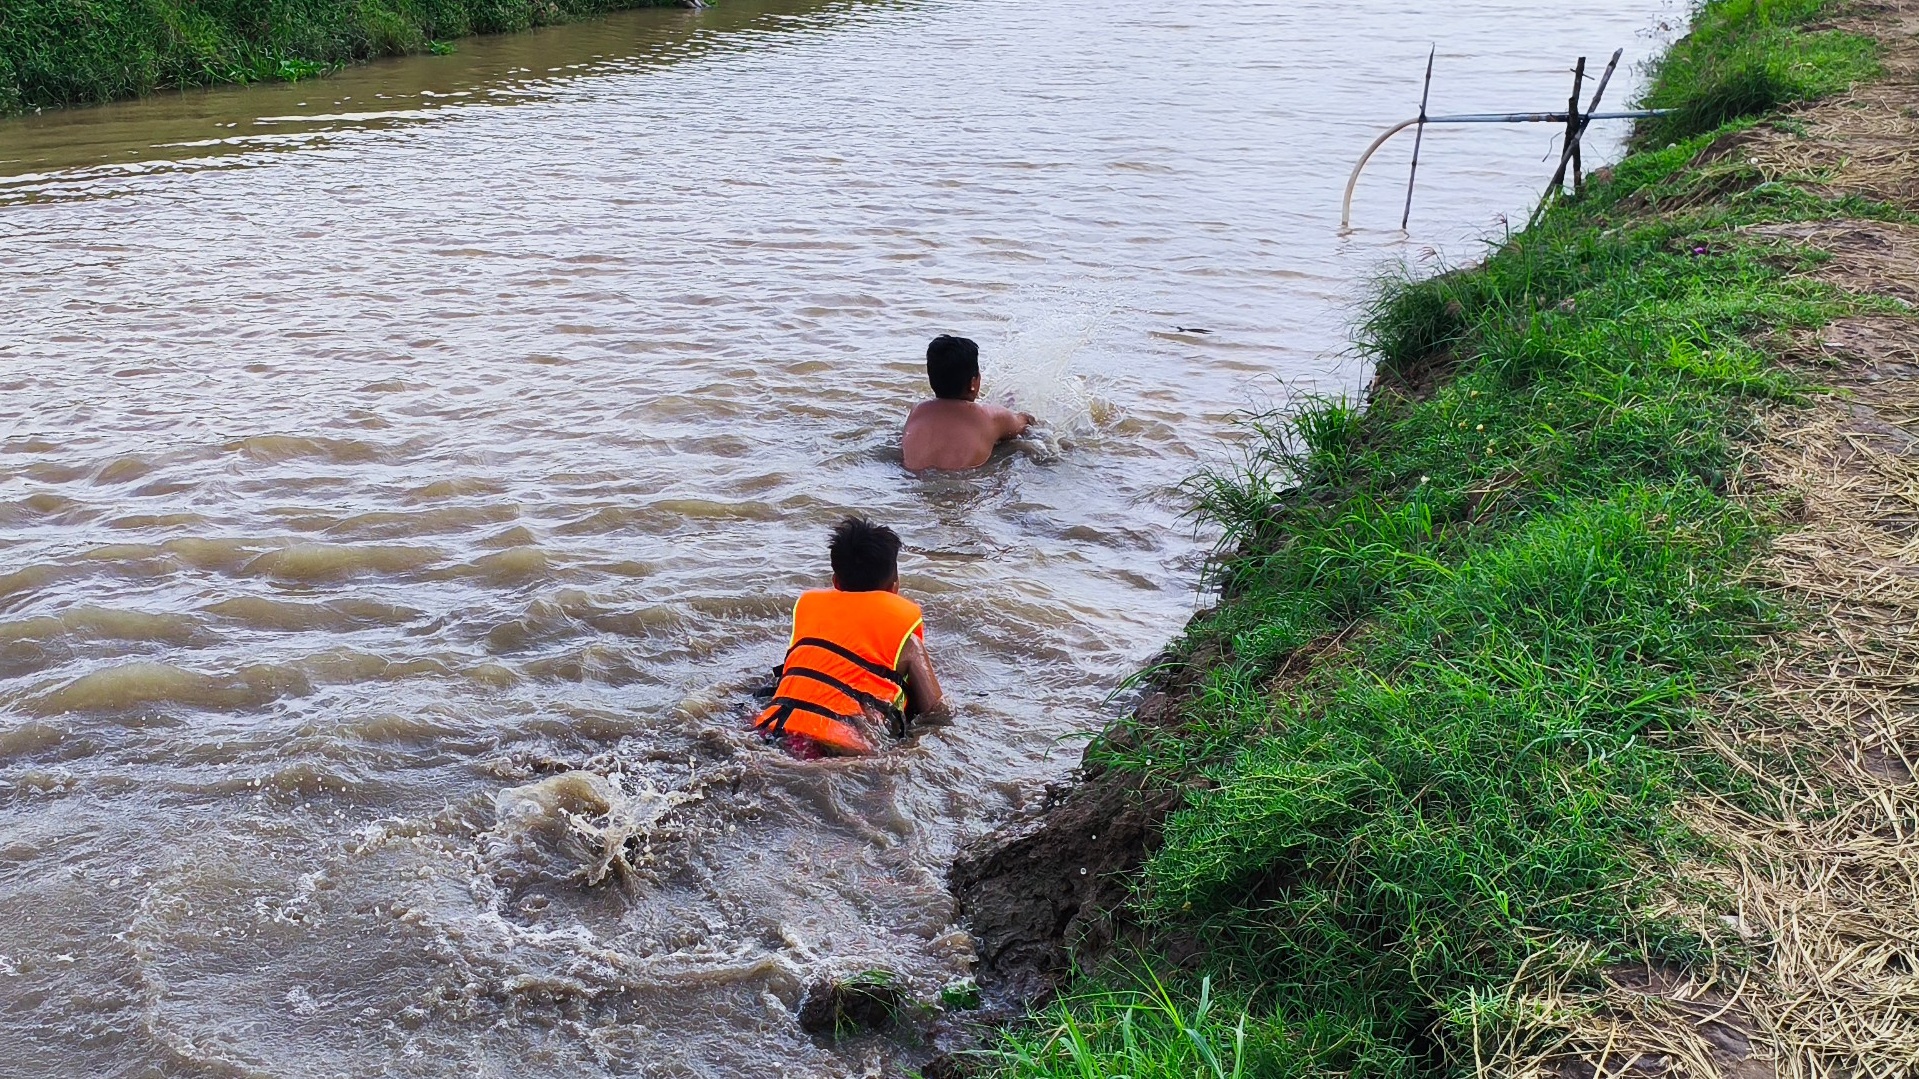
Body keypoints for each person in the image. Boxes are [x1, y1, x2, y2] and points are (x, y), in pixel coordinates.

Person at [754, 517, 944, 758]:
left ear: (835, 582)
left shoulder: (812, 617)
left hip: (775, 729)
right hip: (847, 748)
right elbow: (937, 712)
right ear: (894, 588)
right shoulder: (908, 643)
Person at [901, 335, 1035, 471]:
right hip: (968, 484)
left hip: (914, 482)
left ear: (931, 379)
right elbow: (1026, 423)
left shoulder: (917, 411)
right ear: (972, 383)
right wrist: (1010, 409)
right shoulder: (992, 416)